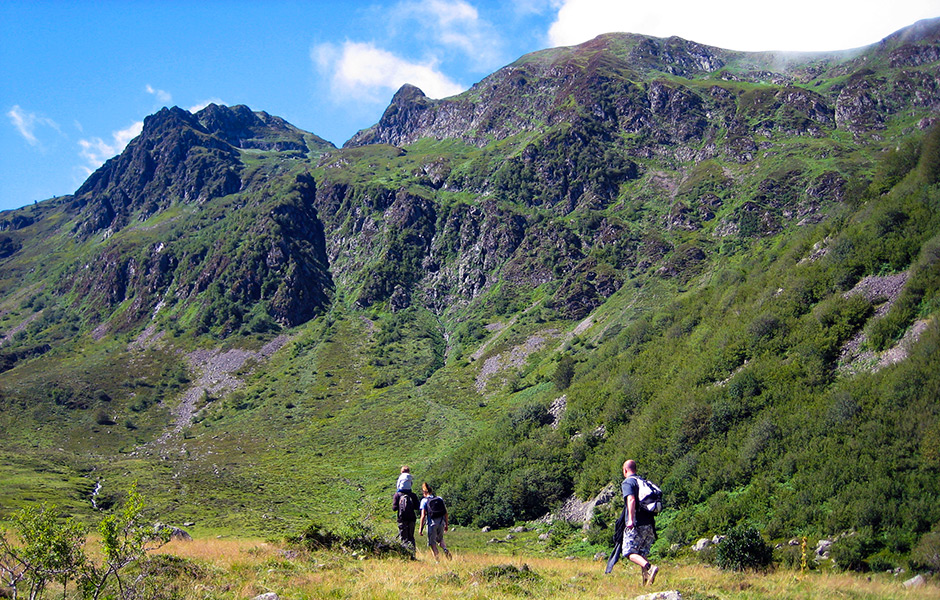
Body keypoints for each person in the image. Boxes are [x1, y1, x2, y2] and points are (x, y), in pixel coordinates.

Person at [619, 459, 659, 586]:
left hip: (636, 523)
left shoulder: (628, 482)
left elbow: (631, 500)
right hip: (649, 524)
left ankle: (650, 568)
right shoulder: (642, 481)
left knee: (629, 552)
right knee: (641, 554)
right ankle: (647, 583)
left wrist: (630, 519)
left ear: (625, 470)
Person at [418, 482, 451, 560]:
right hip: (441, 523)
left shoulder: (424, 501)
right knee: (440, 539)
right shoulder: (439, 498)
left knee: (432, 543)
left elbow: (423, 516)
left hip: (431, 523)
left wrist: (420, 528)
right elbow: (446, 513)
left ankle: (437, 561)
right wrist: (446, 524)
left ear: (425, 492)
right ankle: (445, 549)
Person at [393, 483, 420, 550]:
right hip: (412, 519)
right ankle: (413, 554)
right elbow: (417, 507)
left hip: (402, 519)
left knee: (403, 538)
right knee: (411, 537)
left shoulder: (397, 495)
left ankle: (405, 554)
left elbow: (394, 508)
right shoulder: (413, 495)